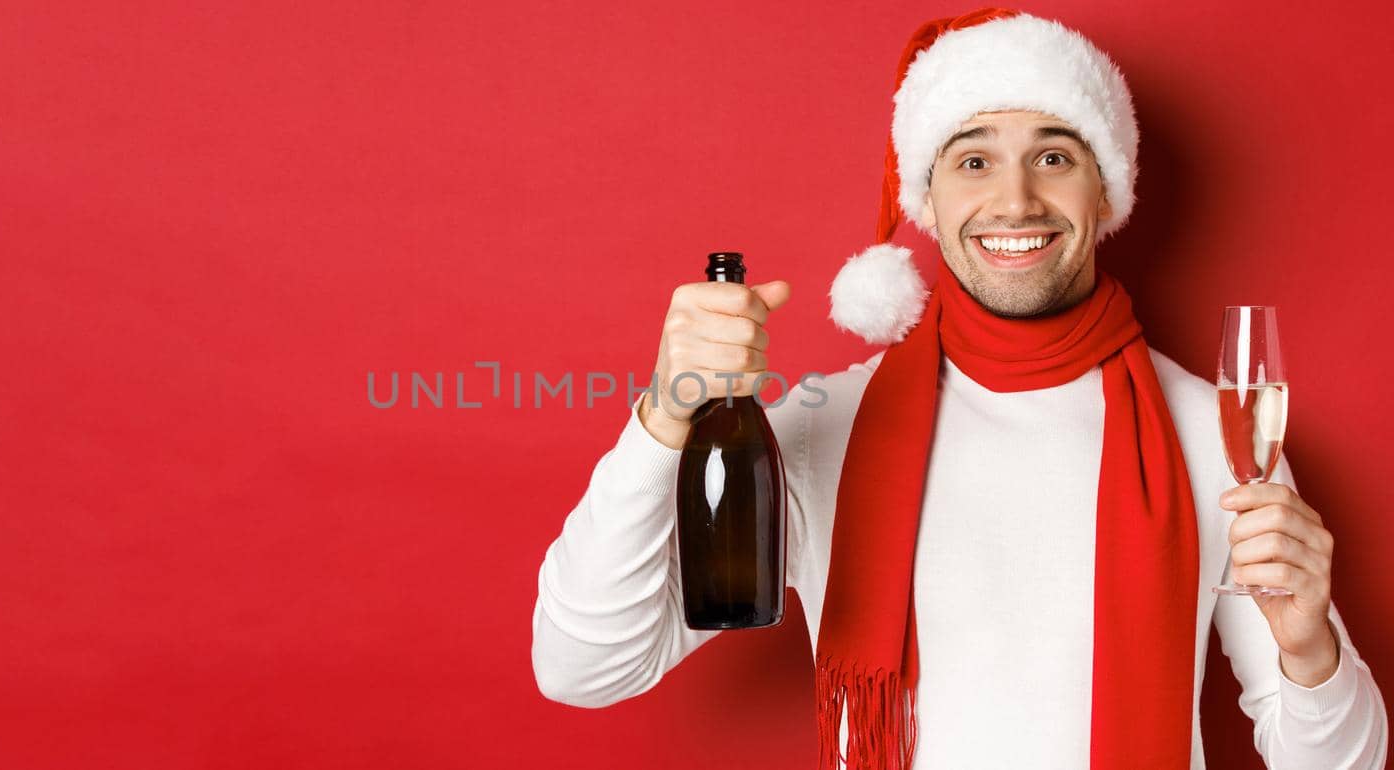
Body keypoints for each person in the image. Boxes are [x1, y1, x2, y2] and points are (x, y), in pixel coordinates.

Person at [529, 9, 1387, 770]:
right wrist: (664, 415)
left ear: (1106, 191)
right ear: (927, 203)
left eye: (1054, 155)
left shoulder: (1218, 434)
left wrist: (1310, 651)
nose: (1014, 200)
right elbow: (583, 669)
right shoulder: (826, 428)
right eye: (973, 160)